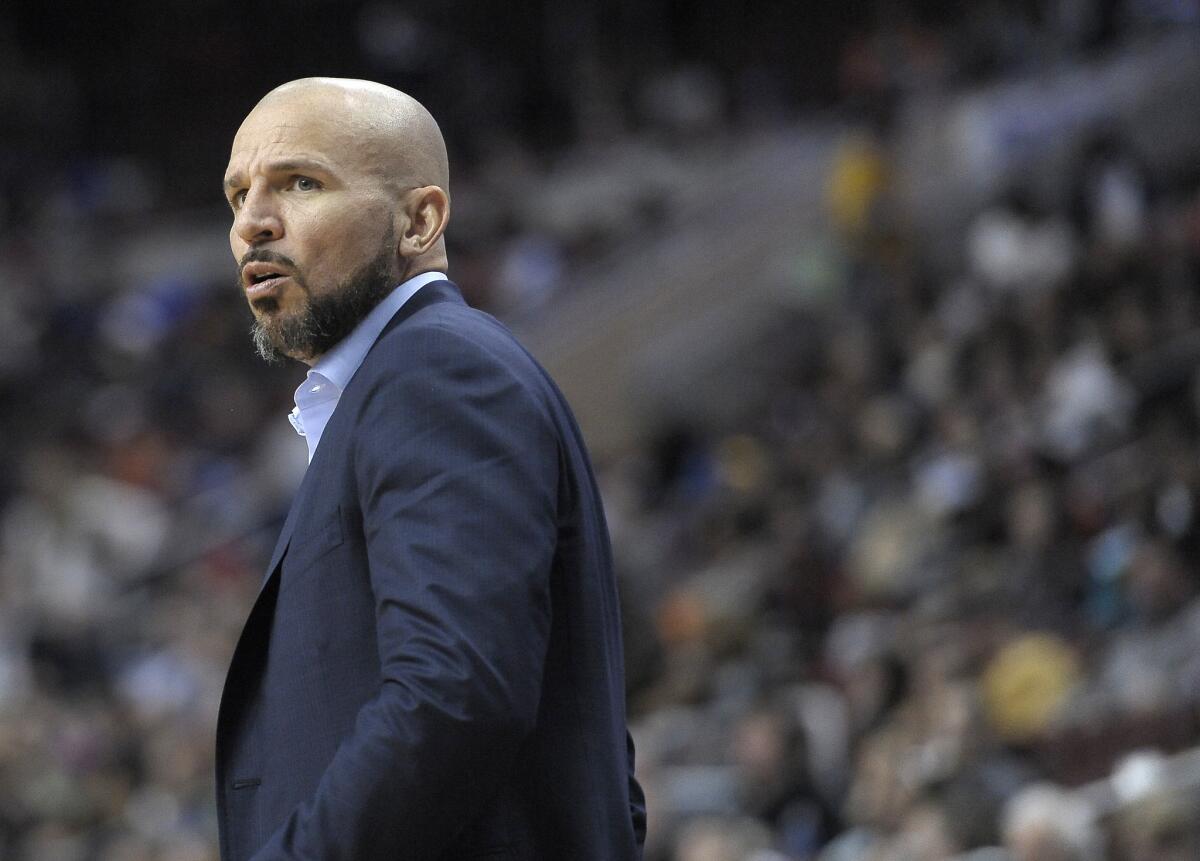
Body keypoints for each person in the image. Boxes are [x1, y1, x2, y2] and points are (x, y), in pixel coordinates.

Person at [214, 77, 647, 861]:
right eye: (238, 195)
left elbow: (455, 696)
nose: (253, 224)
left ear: (420, 220)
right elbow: (588, 752)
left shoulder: (435, 371)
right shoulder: (396, 385)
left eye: (300, 184)